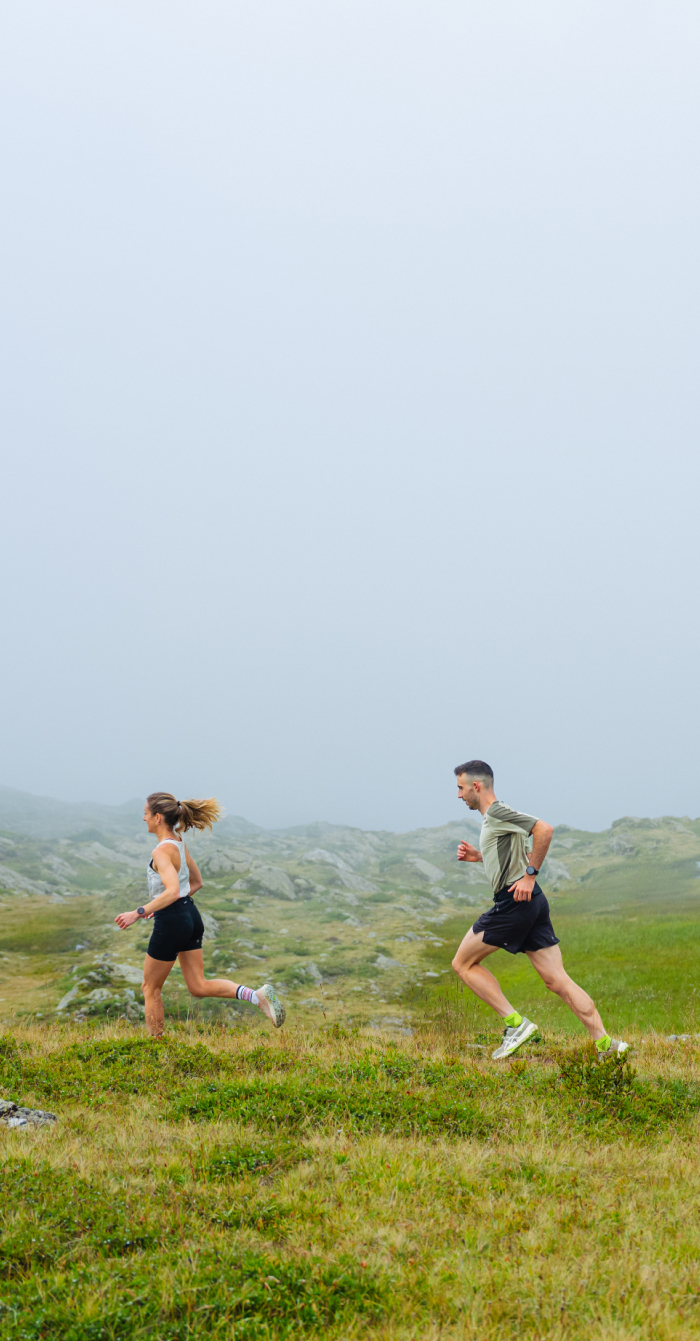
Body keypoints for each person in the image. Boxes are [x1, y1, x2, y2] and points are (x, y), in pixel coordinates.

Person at [451, 761, 628, 1060]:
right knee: (556, 980)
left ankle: (515, 1025)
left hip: (513, 903)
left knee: (462, 964)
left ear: (476, 786)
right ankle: (606, 1044)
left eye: (460, 788)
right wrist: (479, 857)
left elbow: (544, 829)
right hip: (533, 903)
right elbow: (512, 855)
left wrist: (530, 875)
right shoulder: (497, 818)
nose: (459, 795)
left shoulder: (496, 812)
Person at [115, 792, 285, 1038]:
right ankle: (256, 996)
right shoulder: (179, 842)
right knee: (198, 986)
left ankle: (156, 1048)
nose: (144, 818)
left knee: (150, 988)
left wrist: (138, 912)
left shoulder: (161, 852)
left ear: (158, 817)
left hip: (173, 921)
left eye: (146, 813)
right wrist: (161, 906)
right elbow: (196, 883)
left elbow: (172, 891)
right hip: (190, 916)